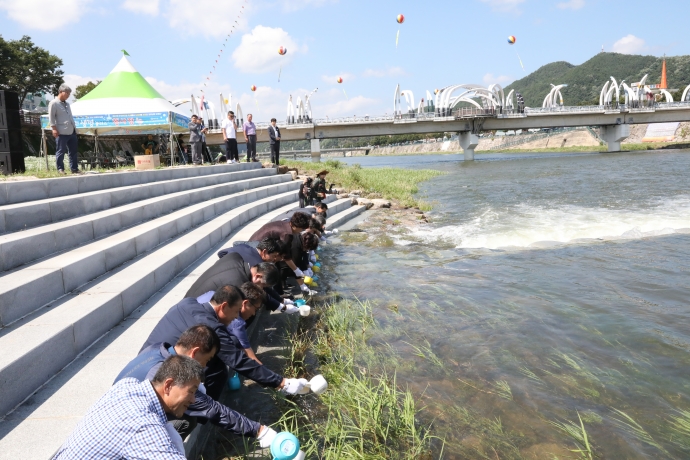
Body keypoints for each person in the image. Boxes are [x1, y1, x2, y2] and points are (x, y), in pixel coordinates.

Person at [142, 286, 308, 400]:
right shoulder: (211, 327)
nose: (236, 317)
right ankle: (202, 410)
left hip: (146, 356)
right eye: (235, 312)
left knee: (227, 347)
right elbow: (237, 361)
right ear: (223, 306)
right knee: (219, 370)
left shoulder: (189, 302)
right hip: (156, 374)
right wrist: (281, 382)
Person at [114, 324, 271, 441]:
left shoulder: (156, 349)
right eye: (207, 360)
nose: (205, 366)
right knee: (186, 419)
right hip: (126, 431)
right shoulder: (174, 374)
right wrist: (260, 431)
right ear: (194, 352)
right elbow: (213, 410)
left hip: (116, 412)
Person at [54, 355, 203, 459]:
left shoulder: (127, 385)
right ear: (169, 385)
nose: (193, 399)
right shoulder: (143, 424)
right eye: (191, 391)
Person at [227, 283, 265, 364]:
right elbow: (251, 357)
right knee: (235, 341)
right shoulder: (237, 322)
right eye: (255, 309)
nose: (254, 313)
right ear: (245, 303)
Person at [48, 84, 79, 175]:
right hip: (61, 131)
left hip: (71, 130)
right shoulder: (54, 103)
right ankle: (60, 169)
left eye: (69, 93)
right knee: (61, 151)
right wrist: (54, 128)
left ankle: (74, 169)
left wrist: (75, 129)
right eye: (67, 93)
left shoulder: (67, 104)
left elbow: (70, 116)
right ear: (61, 92)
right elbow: (51, 117)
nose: (68, 95)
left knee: (73, 151)